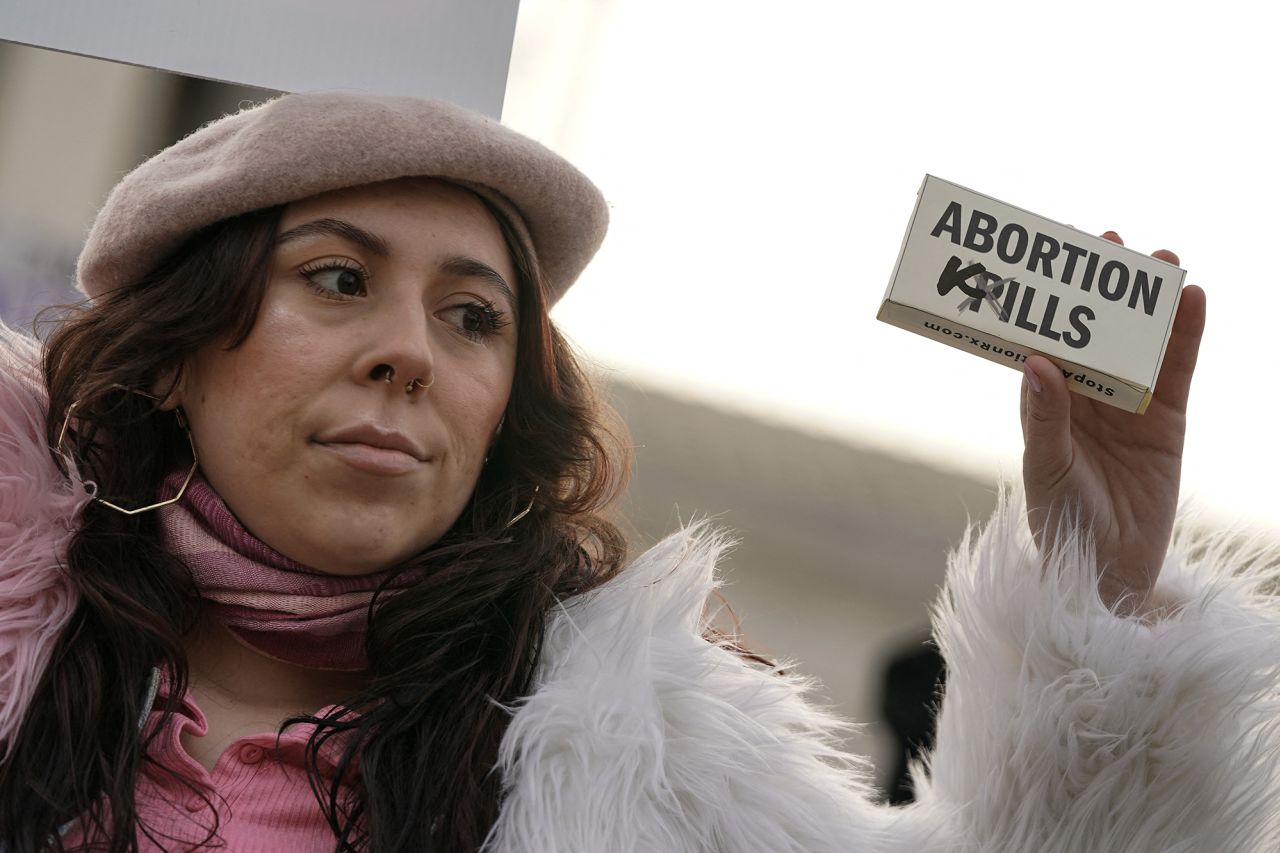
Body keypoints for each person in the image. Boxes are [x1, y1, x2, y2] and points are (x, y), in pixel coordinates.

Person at [0, 92, 1276, 853]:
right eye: (338, 280)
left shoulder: (645, 756)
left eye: (471, 317)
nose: (406, 353)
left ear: (507, 410)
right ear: (174, 355)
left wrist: (1098, 579)